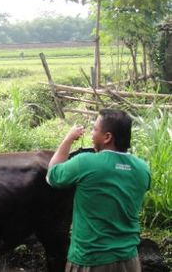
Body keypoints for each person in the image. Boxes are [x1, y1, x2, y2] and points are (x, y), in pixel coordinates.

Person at [47, 109, 151, 271]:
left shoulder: (85, 162)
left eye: (95, 129)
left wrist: (68, 140)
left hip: (91, 260)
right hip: (129, 260)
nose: (92, 134)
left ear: (107, 137)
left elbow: (52, 176)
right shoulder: (143, 169)